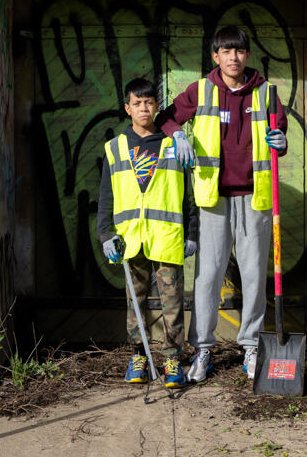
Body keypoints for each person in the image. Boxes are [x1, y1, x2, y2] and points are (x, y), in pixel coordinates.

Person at [156, 26, 288, 383]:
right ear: (215, 56)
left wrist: (281, 140)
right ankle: (202, 350)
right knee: (208, 277)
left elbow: (281, 135)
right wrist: (178, 134)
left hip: (255, 197)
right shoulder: (201, 90)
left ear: (247, 55)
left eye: (239, 51)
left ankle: (251, 347)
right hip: (213, 200)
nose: (233, 57)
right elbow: (165, 117)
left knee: (254, 277)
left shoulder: (266, 92)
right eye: (226, 51)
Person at [97, 78, 198, 388]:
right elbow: (106, 196)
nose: (144, 108)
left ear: (157, 106)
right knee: (135, 302)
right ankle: (138, 356)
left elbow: (187, 196)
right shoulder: (115, 148)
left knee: (172, 303)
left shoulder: (172, 144)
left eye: (149, 102)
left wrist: (192, 233)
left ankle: (172, 359)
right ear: (127, 108)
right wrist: (105, 235)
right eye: (137, 103)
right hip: (130, 239)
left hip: (167, 238)